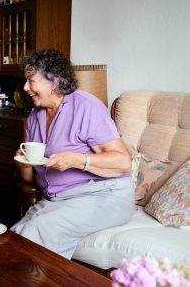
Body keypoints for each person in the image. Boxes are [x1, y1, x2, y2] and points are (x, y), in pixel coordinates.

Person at [11, 48, 134, 259]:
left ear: (53, 81)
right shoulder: (35, 116)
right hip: (57, 198)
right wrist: (22, 163)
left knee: (38, 230)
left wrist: (78, 160)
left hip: (103, 194)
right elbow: (30, 177)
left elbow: (123, 162)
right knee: (14, 237)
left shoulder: (86, 106)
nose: (25, 88)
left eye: (31, 81)